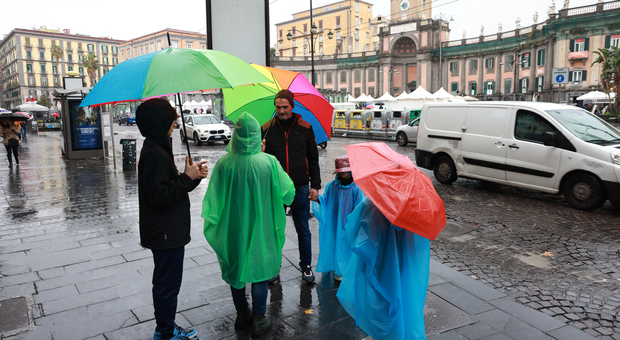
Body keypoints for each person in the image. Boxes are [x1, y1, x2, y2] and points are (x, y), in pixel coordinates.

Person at [202, 112, 295, 339]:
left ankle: (242, 314)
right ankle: (259, 319)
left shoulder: (224, 164)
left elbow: (213, 201)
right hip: (262, 228)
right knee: (260, 272)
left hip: (233, 229)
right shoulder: (269, 162)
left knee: (237, 270)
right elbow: (288, 192)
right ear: (256, 136)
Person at [136, 98, 208, 340]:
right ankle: (166, 333)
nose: (175, 123)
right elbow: (159, 196)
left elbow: (171, 186)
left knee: (167, 283)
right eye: (172, 119)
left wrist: (193, 176)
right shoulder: (155, 153)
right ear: (161, 122)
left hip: (167, 229)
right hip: (165, 231)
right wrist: (186, 179)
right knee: (167, 285)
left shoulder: (158, 147)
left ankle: (165, 327)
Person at [336, 199, 431, 340]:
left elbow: (353, 231)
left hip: (375, 260)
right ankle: (396, 332)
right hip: (401, 260)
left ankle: (380, 334)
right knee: (398, 295)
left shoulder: (371, 204)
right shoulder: (414, 207)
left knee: (377, 300)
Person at [261, 89, 321, 285]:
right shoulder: (267, 128)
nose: (281, 110)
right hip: (275, 189)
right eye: (278, 107)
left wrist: (316, 185)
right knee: (274, 230)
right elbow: (260, 161)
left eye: (285, 107)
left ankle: (306, 266)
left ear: (292, 106)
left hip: (300, 187)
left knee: (303, 229)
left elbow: (313, 158)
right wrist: (259, 151)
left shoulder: (304, 127)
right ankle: (273, 268)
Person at [312, 156, 364, 282]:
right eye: (340, 172)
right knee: (335, 243)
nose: (342, 174)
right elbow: (325, 201)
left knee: (346, 245)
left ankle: (344, 269)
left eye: (344, 172)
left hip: (348, 223)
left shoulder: (356, 189)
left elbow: (359, 207)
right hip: (334, 222)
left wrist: (354, 222)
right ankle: (337, 267)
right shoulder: (332, 186)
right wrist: (317, 199)